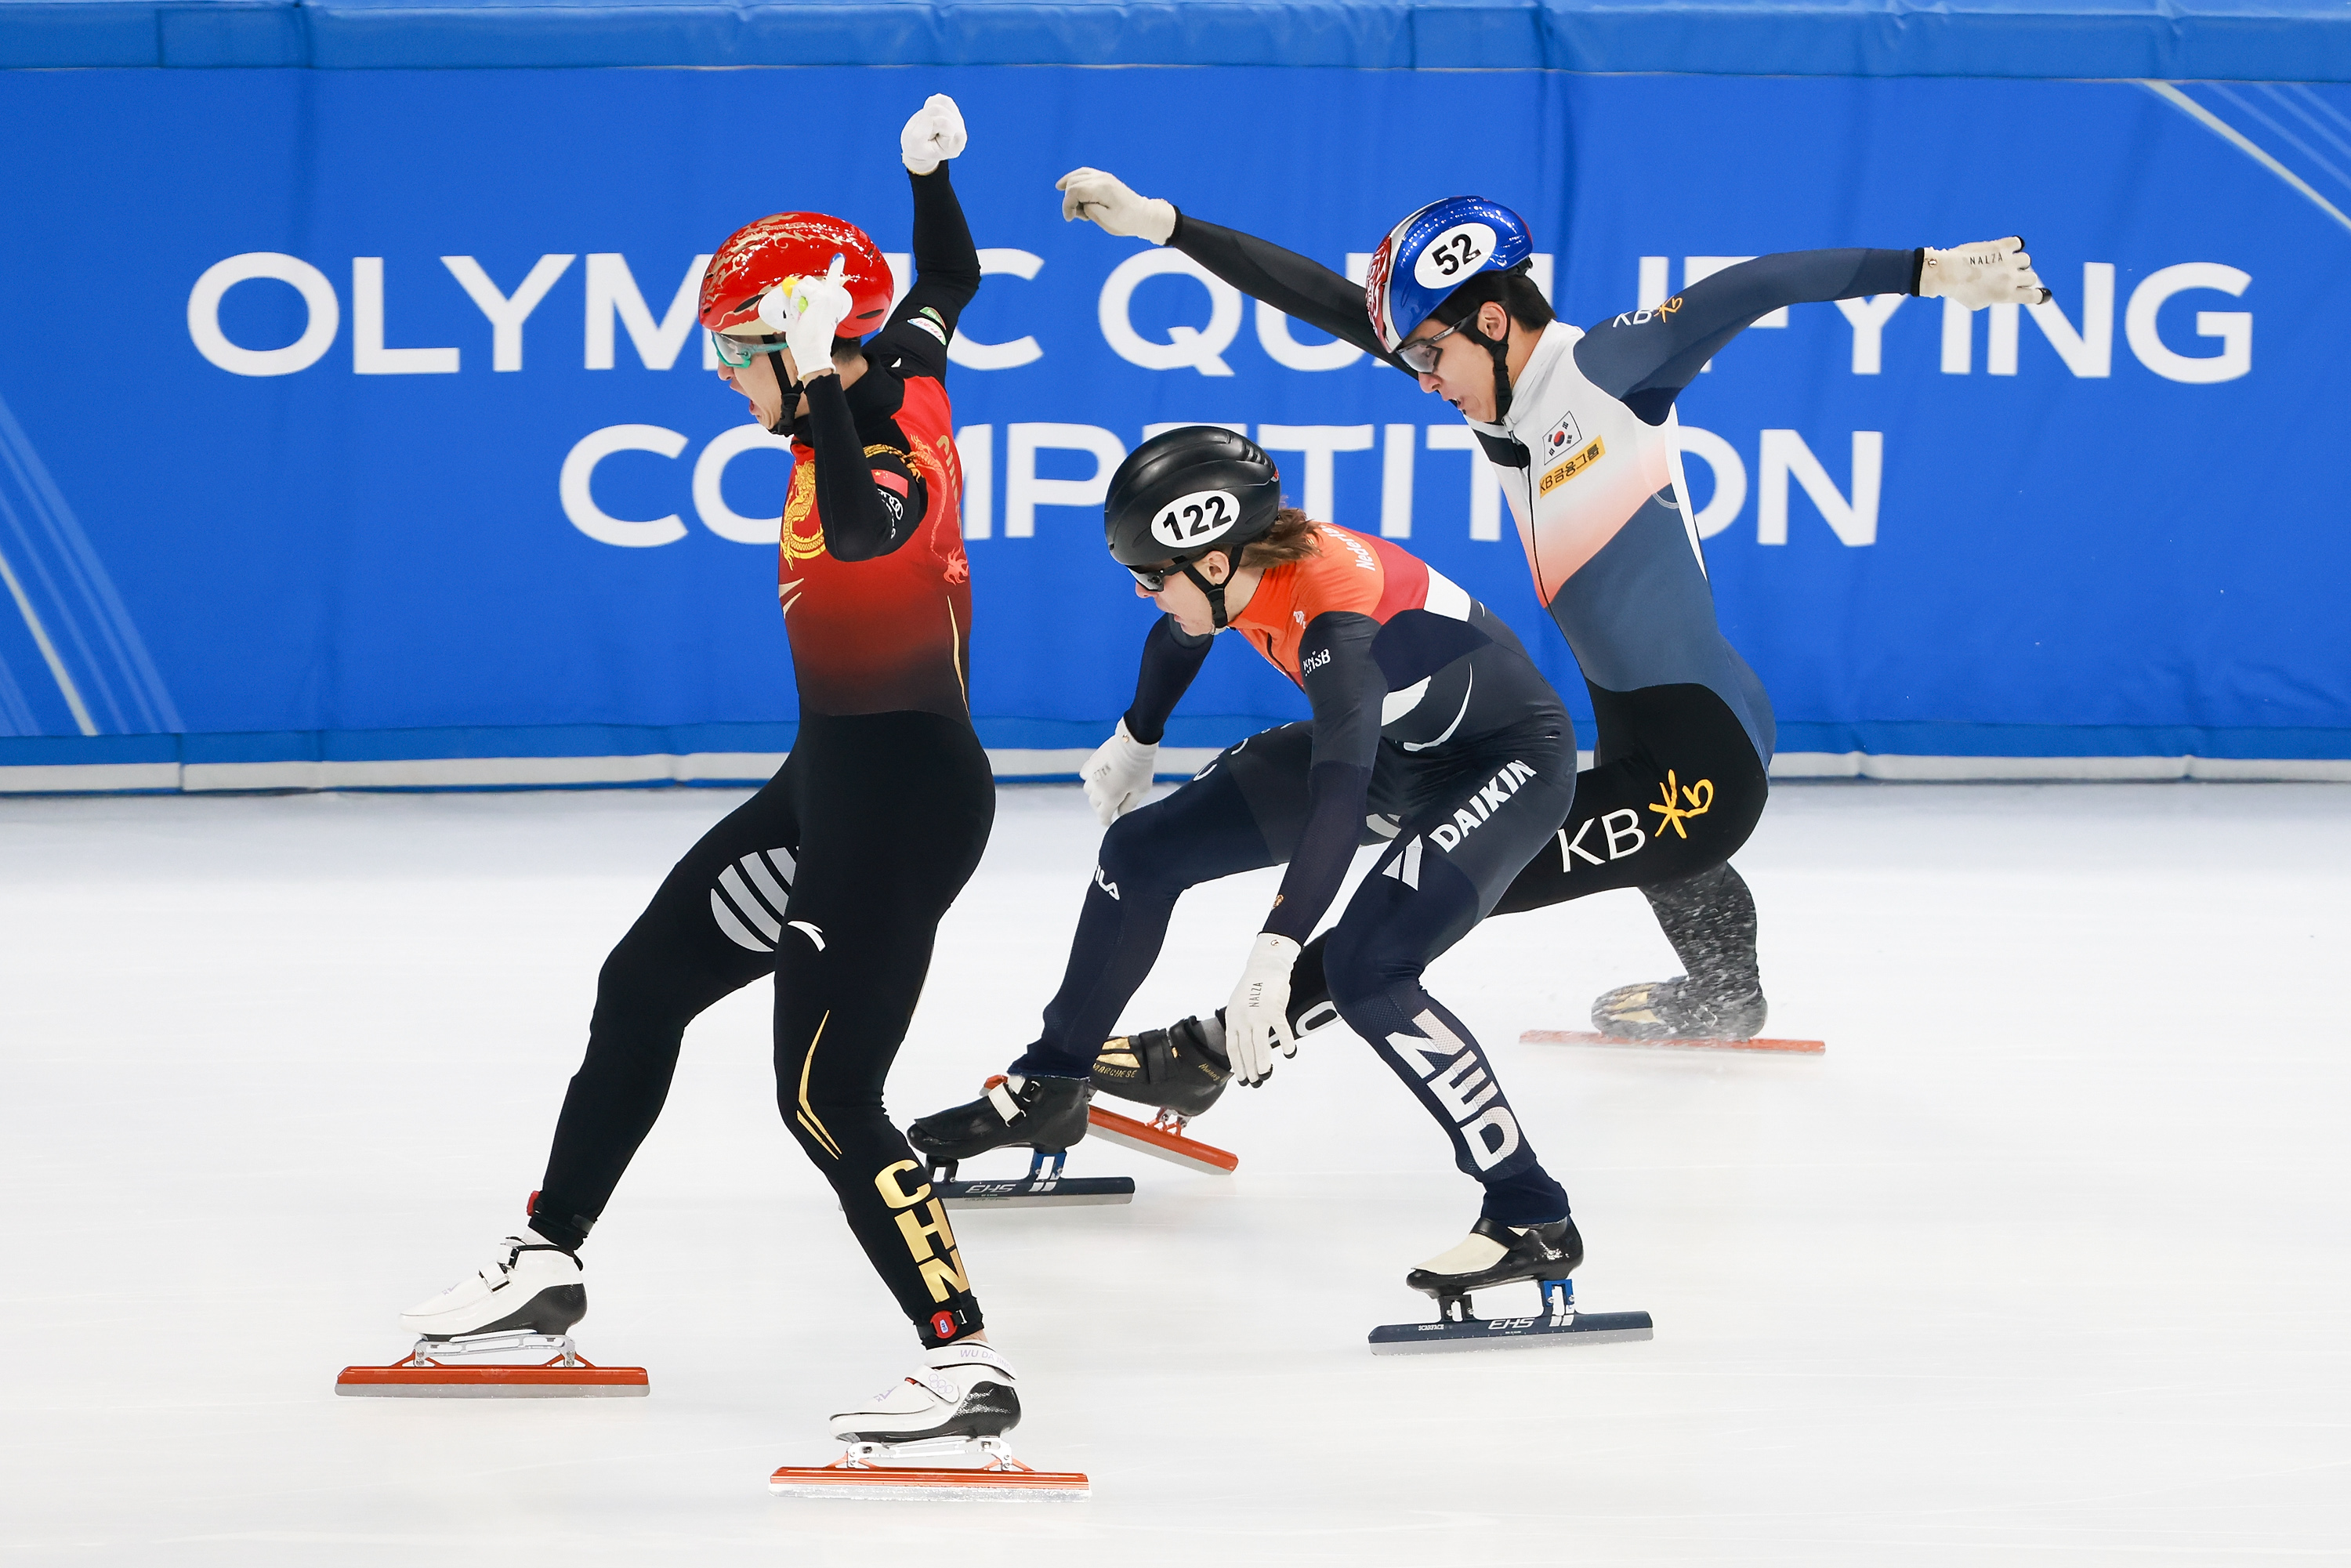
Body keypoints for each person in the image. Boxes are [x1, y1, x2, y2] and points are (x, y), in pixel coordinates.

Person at [1055, 172, 2047, 1102]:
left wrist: (1931, 273)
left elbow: (1756, 286)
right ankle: (1725, 991)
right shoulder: (1493, 390)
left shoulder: (1607, 368)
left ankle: (1210, 1056)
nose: (1426, 383)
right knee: (1639, 831)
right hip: (1654, 725)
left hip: (1705, 761)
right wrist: (1161, 225)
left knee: (1430, 888)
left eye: (1433, 358)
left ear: (1492, 320)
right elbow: (1320, 297)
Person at [394, 96, 1023, 1449]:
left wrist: (812, 402)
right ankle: (547, 1259)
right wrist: (933, 175)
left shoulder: (881, 443)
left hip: (900, 809)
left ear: (798, 348)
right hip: (831, 785)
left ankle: (968, 1362)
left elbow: (864, 535)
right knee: (643, 986)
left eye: (735, 357)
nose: (723, 381)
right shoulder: (898, 360)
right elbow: (952, 280)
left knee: (826, 1098)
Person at [911, 427, 1596, 1302]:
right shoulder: (1233, 575)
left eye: (1153, 575)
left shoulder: (1338, 623)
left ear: (1212, 561)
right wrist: (1136, 736)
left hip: (1507, 763)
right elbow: (1182, 636)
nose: (1144, 592)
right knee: (1141, 850)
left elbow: (1342, 801)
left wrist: (1276, 951)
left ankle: (1531, 1212)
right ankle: (1052, 1083)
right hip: (1402, 744)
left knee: (1367, 969)